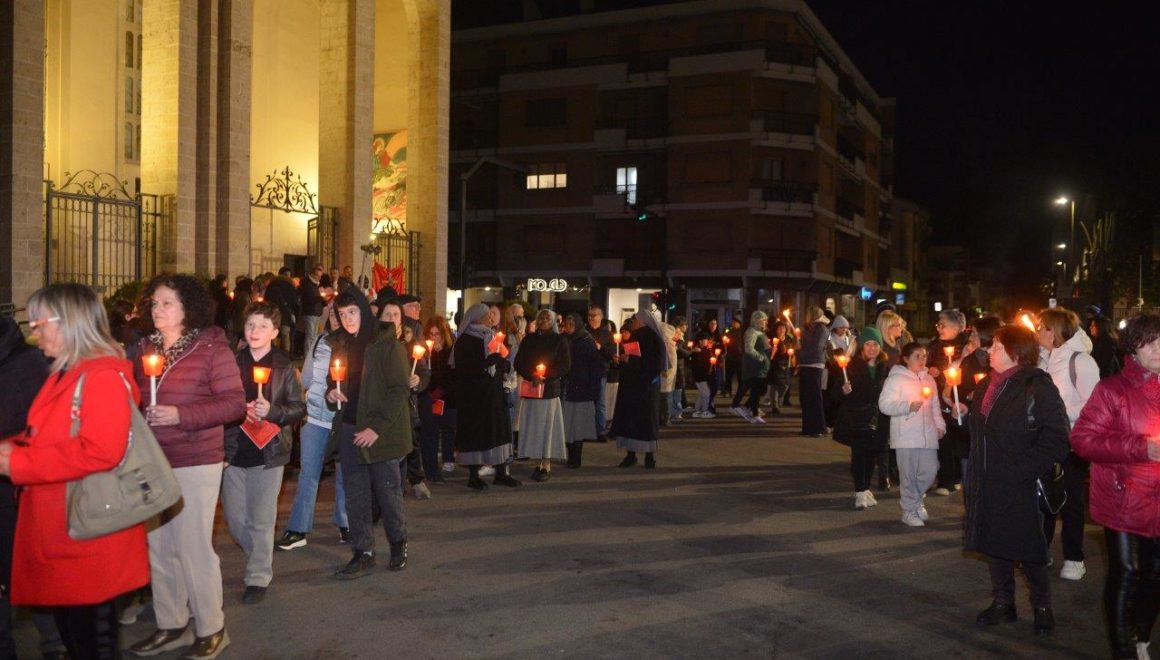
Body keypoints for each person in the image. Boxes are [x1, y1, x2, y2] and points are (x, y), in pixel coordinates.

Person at [129, 274, 246, 658]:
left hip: (196, 459)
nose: (157, 309)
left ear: (188, 308)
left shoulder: (211, 348)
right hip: (153, 460)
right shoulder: (144, 347)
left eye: (167, 303)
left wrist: (182, 414)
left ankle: (211, 627)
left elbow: (234, 405)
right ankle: (172, 623)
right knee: (160, 546)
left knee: (193, 547)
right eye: (154, 303)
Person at [0, 299, 97, 660]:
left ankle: (55, 642)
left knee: (37, 573)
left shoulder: (33, 365)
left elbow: (88, 447)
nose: (35, 331)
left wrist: (14, 455)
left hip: (35, 491)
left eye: (41, 323)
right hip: (23, 479)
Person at [964, 324, 1070, 636]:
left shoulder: (1036, 385)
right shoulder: (986, 385)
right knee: (994, 543)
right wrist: (960, 414)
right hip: (987, 480)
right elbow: (982, 433)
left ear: (1015, 352)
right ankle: (1003, 602)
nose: (989, 351)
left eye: (997, 346)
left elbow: (1058, 438)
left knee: (1029, 548)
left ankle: (1042, 606)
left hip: (1020, 482)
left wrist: (1023, 469)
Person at [1071, 313, 1160, 659]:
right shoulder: (1112, 390)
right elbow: (1082, 440)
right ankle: (1123, 650)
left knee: (1155, 575)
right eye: (1148, 343)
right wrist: (1141, 447)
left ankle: (1141, 636)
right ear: (1133, 349)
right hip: (1123, 497)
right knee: (1126, 572)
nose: (1157, 349)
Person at [221, 302, 306, 605]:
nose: (254, 331)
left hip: (269, 452)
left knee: (261, 518)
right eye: (250, 325)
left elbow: (298, 408)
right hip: (234, 450)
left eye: (262, 326)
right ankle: (260, 551)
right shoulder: (231, 362)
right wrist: (235, 410)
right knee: (234, 518)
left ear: (274, 332)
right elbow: (219, 402)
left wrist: (273, 411)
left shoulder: (284, 365)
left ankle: (257, 576)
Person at [324, 289, 411, 578]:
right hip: (350, 428)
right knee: (356, 494)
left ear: (363, 310)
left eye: (352, 312)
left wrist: (376, 428)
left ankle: (398, 543)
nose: (347, 319)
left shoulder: (387, 344)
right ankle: (363, 552)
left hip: (380, 432)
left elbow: (398, 390)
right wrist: (331, 393)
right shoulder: (340, 344)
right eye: (342, 314)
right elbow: (334, 382)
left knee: (387, 492)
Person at [277, 301, 349, 551]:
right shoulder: (320, 340)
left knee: (344, 473)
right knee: (309, 473)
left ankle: (345, 523)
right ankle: (298, 528)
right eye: (334, 313)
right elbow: (306, 378)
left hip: (342, 419)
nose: (338, 318)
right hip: (315, 417)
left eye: (344, 313)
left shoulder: (356, 344)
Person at [1035, 307, 1099, 581]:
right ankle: (1041, 551)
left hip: (1072, 442)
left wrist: (1058, 412)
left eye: (1042, 327)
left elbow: (1094, 405)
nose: (1037, 332)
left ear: (1055, 331)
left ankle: (1074, 557)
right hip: (1044, 441)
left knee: (1071, 500)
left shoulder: (1081, 361)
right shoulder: (1041, 361)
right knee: (1044, 498)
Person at [878, 342, 945, 527]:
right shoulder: (896, 379)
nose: (922, 360)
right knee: (908, 475)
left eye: (924, 356)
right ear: (906, 359)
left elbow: (935, 406)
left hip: (928, 434)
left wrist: (940, 425)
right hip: (906, 435)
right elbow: (884, 404)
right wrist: (907, 406)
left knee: (930, 471)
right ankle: (909, 510)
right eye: (917, 356)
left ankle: (915, 500)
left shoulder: (929, 379)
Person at [453, 304, 520, 490]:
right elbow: (465, 370)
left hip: (494, 394)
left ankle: (501, 473)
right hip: (475, 397)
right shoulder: (465, 340)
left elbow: (500, 359)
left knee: (499, 431)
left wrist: (504, 365)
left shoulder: (490, 336)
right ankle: (473, 476)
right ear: (476, 318)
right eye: (487, 316)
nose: (491, 319)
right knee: (477, 434)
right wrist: (486, 364)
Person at [829, 327, 889, 510]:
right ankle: (860, 490)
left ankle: (866, 488)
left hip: (877, 419)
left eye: (875, 344)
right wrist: (843, 390)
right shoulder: (852, 367)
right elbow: (834, 394)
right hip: (856, 418)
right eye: (868, 344)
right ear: (862, 346)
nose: (872, 348)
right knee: (859, 455)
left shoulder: (884, 367)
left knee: (871, 456)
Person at [515, 309, 571, 481]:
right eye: (541, 317)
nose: (544, 320)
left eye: (548, 317)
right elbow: (519, 362)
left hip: (549, 391)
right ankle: (536, 460)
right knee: (534, 427)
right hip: (532, 389)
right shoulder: (529, 339)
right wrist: (531, 375)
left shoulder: (559, 340)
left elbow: (565, 365)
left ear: (553, 321)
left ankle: (546, 463)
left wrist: (546, 376)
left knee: (547, 428)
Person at [612, 310, 666, 469]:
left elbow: (653, 364)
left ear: (643, 321)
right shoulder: (635, 336)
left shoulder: (652, 338)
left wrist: (630, 360)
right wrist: (622, 359)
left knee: (646, 422)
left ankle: (649, 456)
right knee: (630, 420)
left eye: (635, 319)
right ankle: (631, 455)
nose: (633, 322)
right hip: (632, 386)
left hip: (645, 388)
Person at [927, 308, 969, 495]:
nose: (938, 328)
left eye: (942, 325)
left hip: (958, 399)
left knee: (959, 438)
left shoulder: (966, 346)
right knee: (944, 439)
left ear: (956, 327)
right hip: (938, 397)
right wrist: (930, 369)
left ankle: (956, 477)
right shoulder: (934, 345)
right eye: (938, 324)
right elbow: (925, 362)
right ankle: (945, 480)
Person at [560, 313, 602, 468]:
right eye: (567, 324)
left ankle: (576, 458)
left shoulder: (586, 341)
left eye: (572, 324)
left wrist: (593, 389)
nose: (569, 327)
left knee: (578, 426)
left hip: (581, 388)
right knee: (567, 424)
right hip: (566, 388)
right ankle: (570, 455)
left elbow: (595, 366)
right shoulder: (563, 339)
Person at [420, 316, 457, 482]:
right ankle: (431, 463)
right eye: (431, 334)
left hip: (449, 397)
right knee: (432, 431)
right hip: (431, 398)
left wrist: (441, 391)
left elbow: (453, 375)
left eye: (437, 334)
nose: (434, 338)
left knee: (449, 428)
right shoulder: (426, 352)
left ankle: (448, 458)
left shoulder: (451, 350)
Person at [797, 307, 831, 436]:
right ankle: (807, 427)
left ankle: (819, 428)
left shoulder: (821, 329)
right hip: (805, 364)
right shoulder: (807, 328)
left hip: (815, 364)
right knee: (805, 397)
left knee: (814, 397)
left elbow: (817, 348)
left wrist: (800, 351)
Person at [734, 311, 771, 423]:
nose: (765, 322)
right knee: (755, 390)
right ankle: (754, 414)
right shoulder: (752, 332)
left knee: (760, 389)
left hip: (761, 367)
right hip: (755, 366)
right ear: (757, 320)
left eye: (765, 320)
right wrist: (761, 358)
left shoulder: (760, 332)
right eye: (763, 320)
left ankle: (748, 408)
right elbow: (749, 348)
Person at [586, 305, 616, 442]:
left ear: (601, 317)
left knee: (600, 403)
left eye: (594, 315)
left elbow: (611, 354)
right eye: (589, 315)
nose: (591, 318)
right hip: (585, 371)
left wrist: (600, 347)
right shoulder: (584, 332)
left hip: (600, 371)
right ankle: (586, 431)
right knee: (586, 403)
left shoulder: (607, 334)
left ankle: (600, 431)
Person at [766, 321, 794, 416]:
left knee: (785, 385)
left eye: (783, 328)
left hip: (786, 365)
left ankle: (777, 400)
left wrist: (791, 354)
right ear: (776, 330)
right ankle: (775, 406)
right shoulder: (772, 340)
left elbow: (793, 349)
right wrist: (773, 351)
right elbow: (769, 355)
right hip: (775, 365)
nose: (782, 330)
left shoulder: (788, 339)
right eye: (780, 328)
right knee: (775, 385)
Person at [299, 264, 327, 360]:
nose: (319, 278)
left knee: (314, 336)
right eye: (317, 276)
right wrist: (320, 299)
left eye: (320, 276)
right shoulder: (307, 284)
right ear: (312, 274)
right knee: (310, 336)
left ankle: (312, 355)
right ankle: (308, 356)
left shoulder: (314, 284)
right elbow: (308, 299)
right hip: (310, 312)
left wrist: (323, 302)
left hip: (316, 312)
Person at [1088, 314, 1124, 379]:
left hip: (1106, 379)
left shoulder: (1106, 343)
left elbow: (1104, 365)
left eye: (1093, 326)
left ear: (1100, 327)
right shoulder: (1101, 341)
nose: (1090, 327)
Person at [689, 333, 716, 418]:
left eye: (706, 340)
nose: (705, 342)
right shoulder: (698, 351)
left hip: (701, 375)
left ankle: (697, 410)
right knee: (706, 394)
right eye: (703, 340)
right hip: (701, 376)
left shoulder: (705, 349)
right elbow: (699, 364)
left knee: (701, 394)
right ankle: (705, 411)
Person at [722, 317, 743, 397]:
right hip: (730, 356)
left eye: (735, 323)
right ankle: (728, 390)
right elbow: (724, 343)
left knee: (740, 375)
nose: (733, 324)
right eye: (733, 322)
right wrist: (725, 343)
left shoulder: (742, 333)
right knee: (729, 375)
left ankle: (741, 391)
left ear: (739, 324)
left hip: (739, 357)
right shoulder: (729, 332)